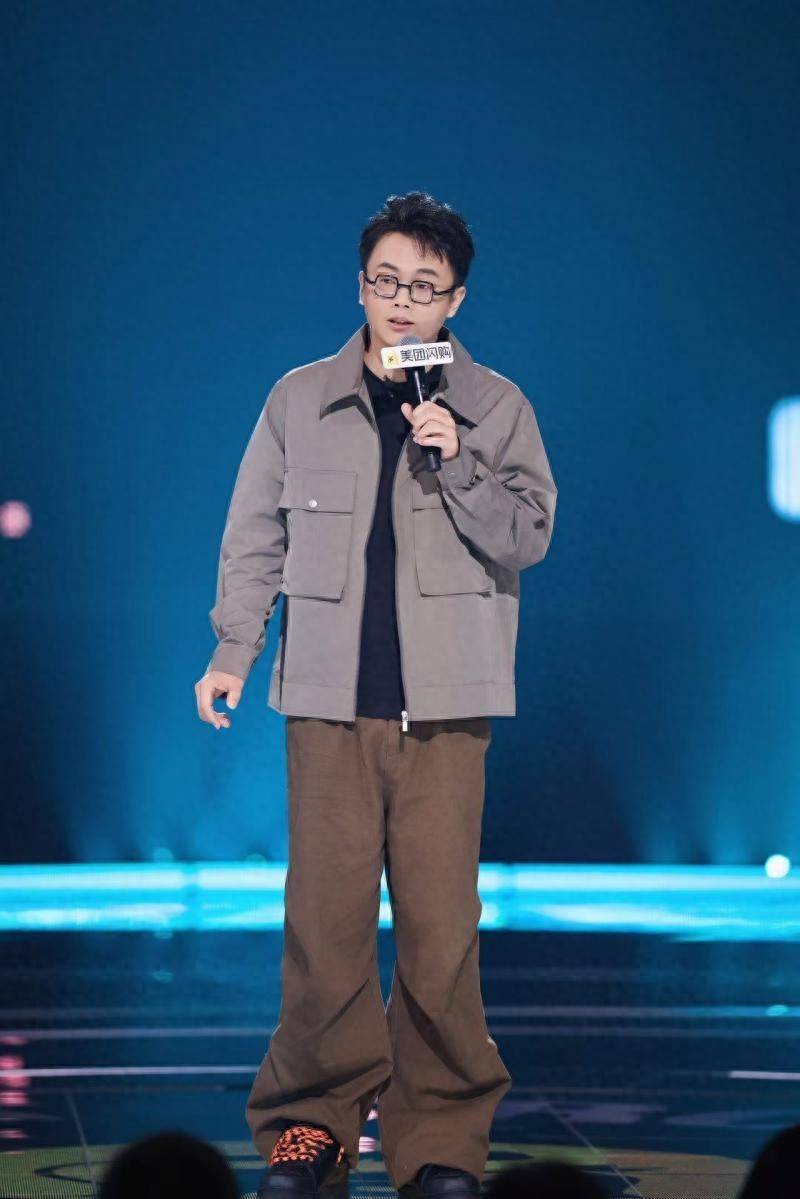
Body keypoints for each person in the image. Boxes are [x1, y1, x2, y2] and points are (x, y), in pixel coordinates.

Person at [195, 191, 558, 1199]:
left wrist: (460, 459)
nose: (402, 302)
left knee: (440, 937)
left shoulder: (495, 407)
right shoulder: (298, 397)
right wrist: (232, 649)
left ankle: (440, 1139)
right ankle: (309, 1125)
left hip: (446, 710)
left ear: (456, 299)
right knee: (324, 928)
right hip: (328, 704)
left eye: (424, 287)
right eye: (386, 281)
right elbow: (254, 534)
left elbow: (529, 535)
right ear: (360, 285)